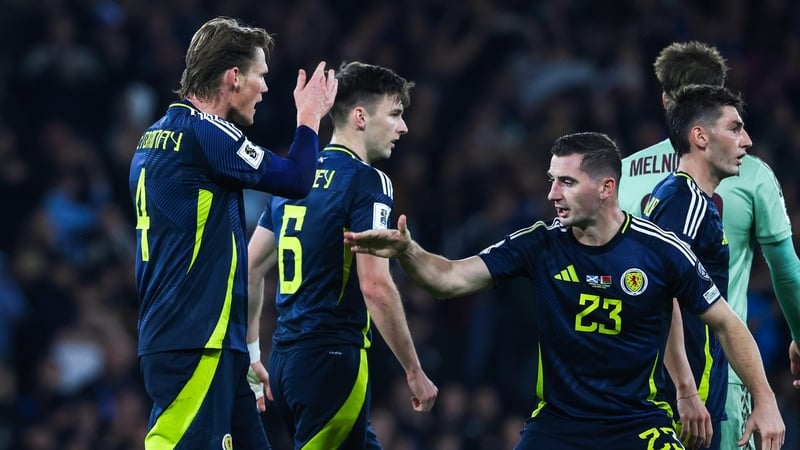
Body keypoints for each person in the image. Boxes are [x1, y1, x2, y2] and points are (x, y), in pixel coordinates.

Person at [344, 131, 786, 450]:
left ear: (606, 188)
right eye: (552, 179)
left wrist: (764, 401)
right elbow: (448, 278)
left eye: (567, 182)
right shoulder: (540, 244)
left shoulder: (659, 250)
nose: (552, 193)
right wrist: (406, 251)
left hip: (637, 425)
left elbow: (728, 323)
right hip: (557, 426)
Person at [128, 16, 337, 449]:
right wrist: (310, 116)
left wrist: (244, 351)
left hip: (205, 341)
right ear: (233, 77)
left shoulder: (153, 137)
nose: (265, 88)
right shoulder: (207, 133)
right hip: (194, 341)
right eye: (260, 76)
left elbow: (207, 248)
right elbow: (297, 179)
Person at [618, 41, 800, 450]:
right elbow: (786, 273)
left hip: (637, 374)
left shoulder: (623, 173)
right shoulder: (750, 175)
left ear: (666, 100)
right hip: (717, 374)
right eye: (735, 126)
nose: (745, 139)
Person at [247, 61, 438, 449]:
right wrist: (414, 370)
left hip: (285, 361)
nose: (403, 128)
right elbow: (375, 285)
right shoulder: (368, 181)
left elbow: (250, 268)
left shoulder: (293, 176)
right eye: (396, 114)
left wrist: (253, 352)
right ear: (361, 117)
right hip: (331, 361)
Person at [642, 84, 750, 449]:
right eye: (735, 128)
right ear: (700, 136)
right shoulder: (684, 202)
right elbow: (662, 292)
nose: (746, 141)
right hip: (685, 399)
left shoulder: (687, 199)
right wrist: (687, 390)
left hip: (692, 395)